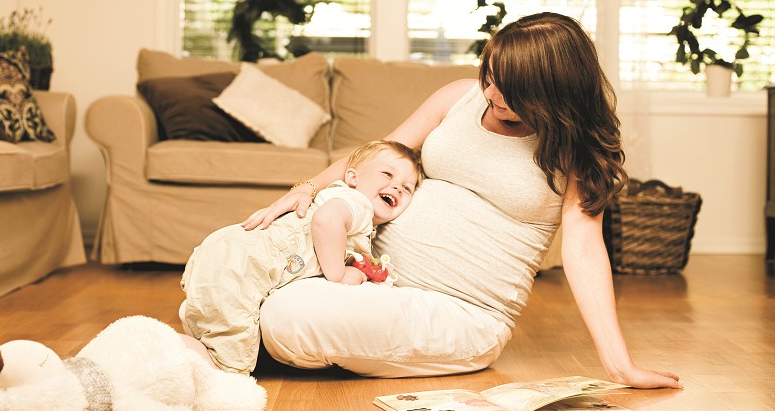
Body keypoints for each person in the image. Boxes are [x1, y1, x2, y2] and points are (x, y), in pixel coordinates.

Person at [241, 12, 682, 389]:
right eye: (490, 78)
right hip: (372, 280)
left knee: (286, 314)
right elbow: (378, 156)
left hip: (462, 314)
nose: (491, 95)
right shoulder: (458, 97)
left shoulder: (575, 151)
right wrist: (305, 188)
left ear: (552, 92)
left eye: (510, 90)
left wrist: (620, 366)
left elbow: (584, 251)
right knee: (243, 268)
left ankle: (258, 348)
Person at [179, 140, 422, 374]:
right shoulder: (357, 203)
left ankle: (173, 348)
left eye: (407, 187)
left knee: (214, 342)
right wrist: (339, 273)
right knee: (229, 366)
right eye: (388, 175)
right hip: (245, 263)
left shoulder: (342, 201)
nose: (397, 187)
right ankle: (198, 370)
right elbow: (327, 220)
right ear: (352, 178)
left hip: (227, 248)